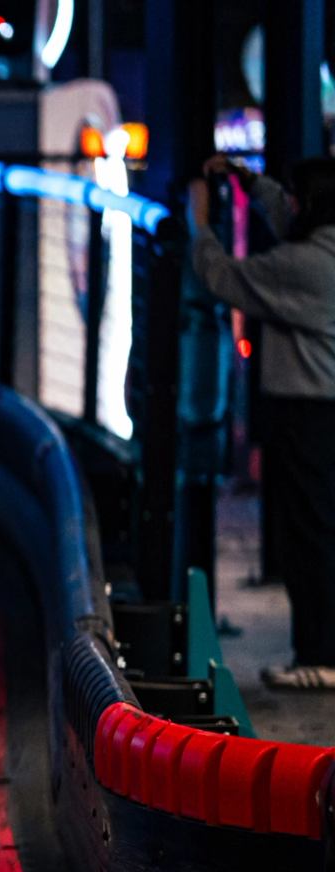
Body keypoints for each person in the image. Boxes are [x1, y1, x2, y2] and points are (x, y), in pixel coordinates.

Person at [190, 155, 335, 689]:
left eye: (296, 196)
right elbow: (287, 215)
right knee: (320, 526)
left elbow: (222, 276)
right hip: (325, 407)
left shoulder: (302, 267)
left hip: (308, 412)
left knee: (309, 535)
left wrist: (199, 224)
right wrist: (249, 181)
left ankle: (320, 657)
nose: (288, 203)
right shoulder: (324, 249)